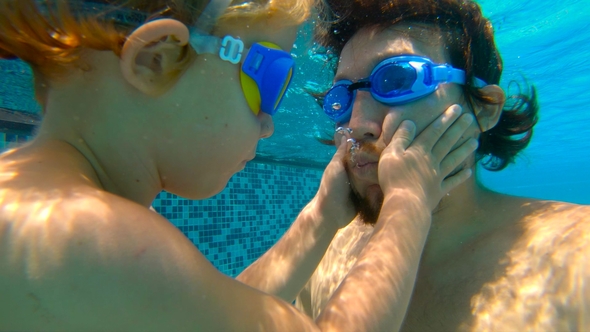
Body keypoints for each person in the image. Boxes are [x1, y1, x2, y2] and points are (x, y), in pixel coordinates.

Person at [0, 0, 479, 330]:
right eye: (271, 79)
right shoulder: (91, 237)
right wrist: (410, 202)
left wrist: (321, 216)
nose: (269, 124)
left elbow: (217, 317)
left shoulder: (39, 204)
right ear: (156, 60)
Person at [295, 0, 590, 331]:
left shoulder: (578, 256)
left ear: (485, 109)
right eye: (342, 96)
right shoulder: (322, 256)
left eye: (398, 80)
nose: (358, 122)